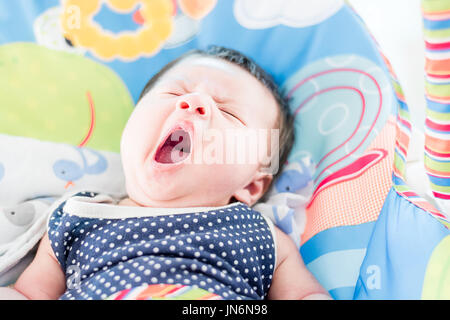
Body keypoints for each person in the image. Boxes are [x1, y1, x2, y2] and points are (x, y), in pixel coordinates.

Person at [1, 46, 331, 300]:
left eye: (229, 113)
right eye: (174, 93)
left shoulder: (261, 233)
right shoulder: (77, 215)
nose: (194, 102)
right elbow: (29, 293)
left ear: (252, 185)